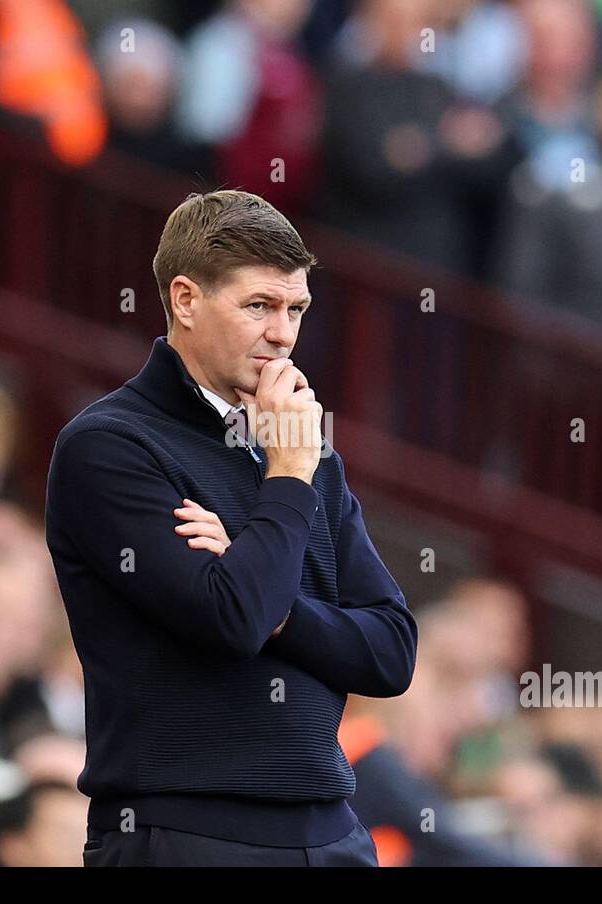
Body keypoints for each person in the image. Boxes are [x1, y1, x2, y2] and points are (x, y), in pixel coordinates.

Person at [45, 189, 418, 866]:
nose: (283, 333)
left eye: (295, 309)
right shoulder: (109, 446)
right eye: (259, 306)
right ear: (185, 300)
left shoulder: (304, 450)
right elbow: (233, 617)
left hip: (332, 830)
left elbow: (390, 652)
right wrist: (284, 476)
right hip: (187, 833)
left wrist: (282, 611)